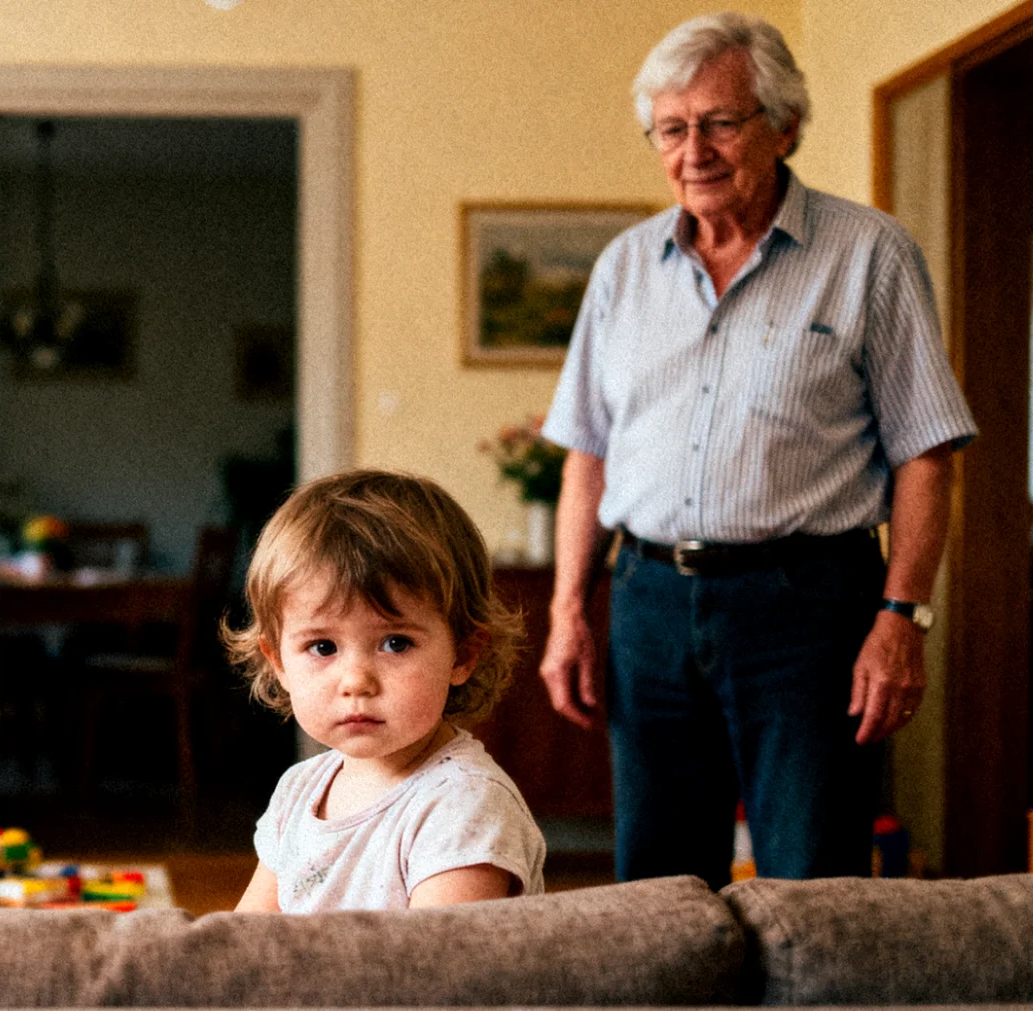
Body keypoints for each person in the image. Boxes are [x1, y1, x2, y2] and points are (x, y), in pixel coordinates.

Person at [539, 12, 977, 888]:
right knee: (658, 884)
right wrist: (567, 610)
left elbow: (926, 453)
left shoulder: (871, 254)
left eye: (719, 123)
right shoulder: (624, 267)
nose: (692, 150)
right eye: (671, 128)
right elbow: (588, 453)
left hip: (808, 605)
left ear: (785, 126)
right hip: (648, 601)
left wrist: (902, 618)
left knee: (811, 877)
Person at [225, 470, 544, 912]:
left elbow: (433, 956)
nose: (356, 681)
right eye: (323, 647)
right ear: (278, 662)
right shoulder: (299, 791)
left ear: (463, 654)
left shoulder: (463, 805)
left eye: (396, 643)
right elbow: (247, 937)